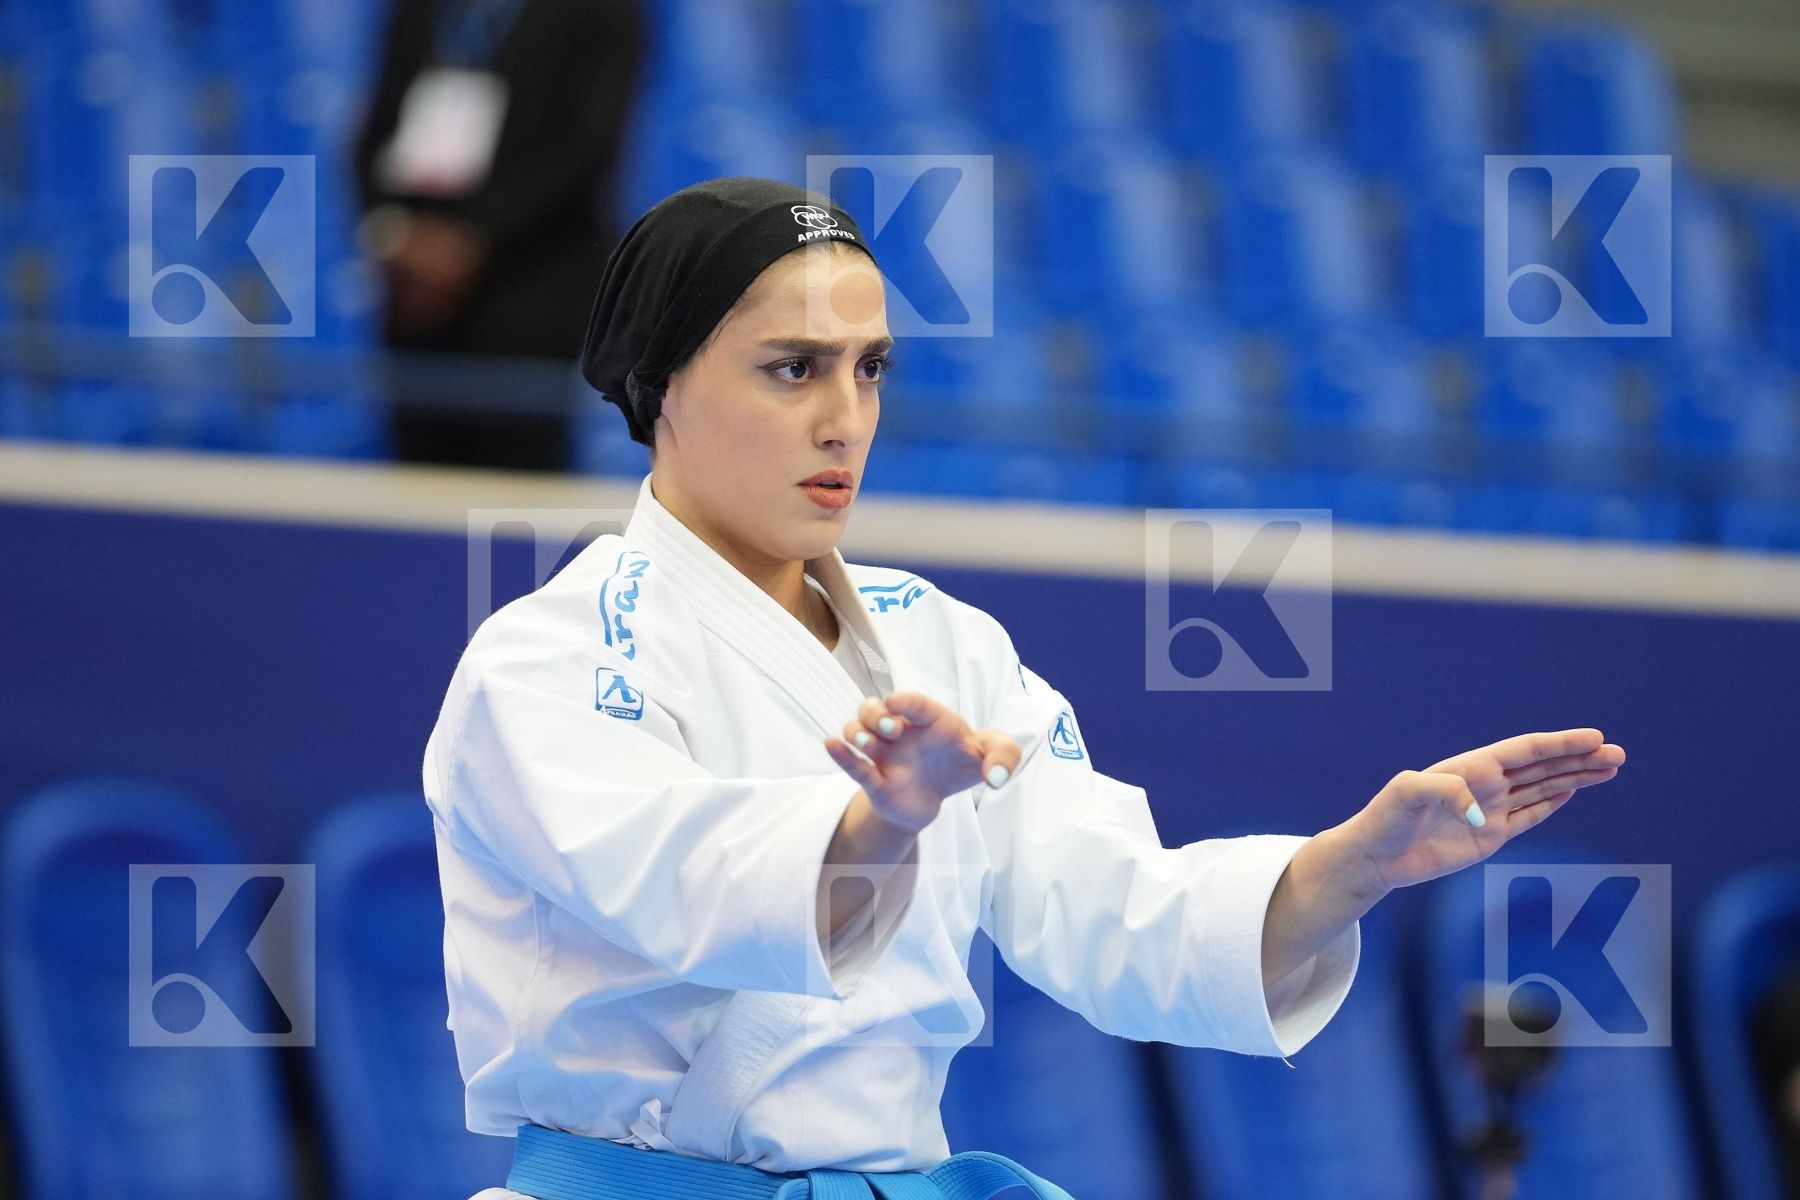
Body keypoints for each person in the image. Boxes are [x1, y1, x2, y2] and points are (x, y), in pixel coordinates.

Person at [422, 177, 1628, 1199]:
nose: (847, 421)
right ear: (661, 380)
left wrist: (1358, 860)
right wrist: (878, 821)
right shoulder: (552, 657)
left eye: (871, 369)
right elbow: (691, 886)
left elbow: (1120, 914)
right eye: (793, 370)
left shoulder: (945, 645)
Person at [353, 0, 646, 472]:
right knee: (416, 487)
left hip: (531, 297)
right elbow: (374, 127)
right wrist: (397, 236)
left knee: (510, 498)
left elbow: (584, 147)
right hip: (415, 298)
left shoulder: (603, 11)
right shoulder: (420, 9)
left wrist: (469, 243)